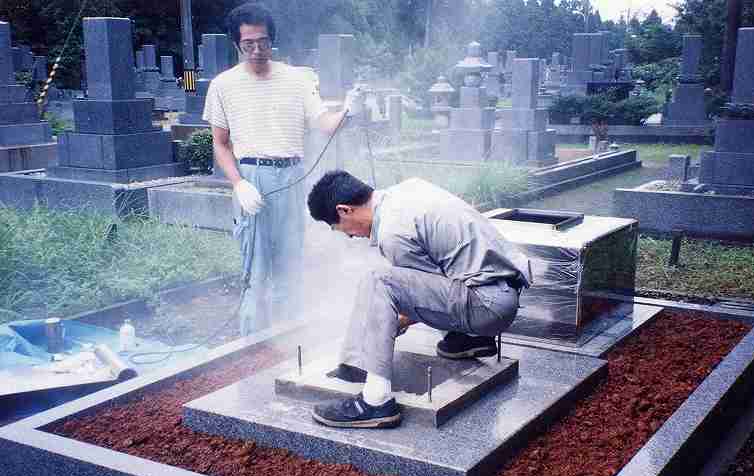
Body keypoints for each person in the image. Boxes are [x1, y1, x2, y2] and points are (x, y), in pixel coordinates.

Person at [306, 171, 532, 428]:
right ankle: (468, 339)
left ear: (344, 210)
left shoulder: (393, 233)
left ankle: (375, 401)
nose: (348, 236)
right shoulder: (408, 190)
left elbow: (421, 295)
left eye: (339, 228)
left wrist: (387, 323)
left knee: (379, 281)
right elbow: (436, 280)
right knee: (419, 273)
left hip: (488, 307)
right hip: (502, 290)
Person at [203, 2, 362, 336]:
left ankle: (290, 344)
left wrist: (348, 111)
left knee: (291, 266)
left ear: (271, 40)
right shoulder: (223, 85)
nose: (257, 50)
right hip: (251, 177)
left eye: (262, 42)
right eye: (248, 44)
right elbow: (220, 143)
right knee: (256, 269)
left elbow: (324, 124)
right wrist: (238, 184)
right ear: (237, 44)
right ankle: (252, 345)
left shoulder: (297, 79)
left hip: (291, 176)